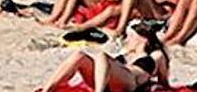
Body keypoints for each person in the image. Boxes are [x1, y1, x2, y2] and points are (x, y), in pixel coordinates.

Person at [38, 22, 170, 92]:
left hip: (130, 81)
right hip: (111, 81)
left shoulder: (155, 55)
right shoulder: (124, 54)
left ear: (144, 39)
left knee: (101, 55)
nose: (127, 40)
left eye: (131, 37)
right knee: (79, 55)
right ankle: (47, 90)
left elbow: (164, 81)